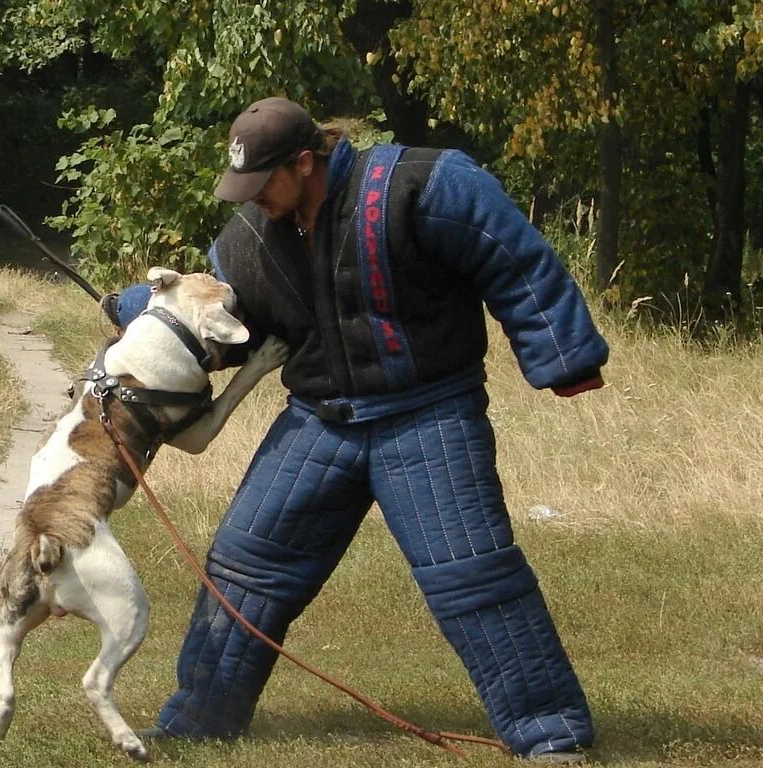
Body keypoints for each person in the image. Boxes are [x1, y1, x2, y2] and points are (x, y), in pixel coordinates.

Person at [117, 96, 607, 763]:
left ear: (305, 160)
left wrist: (563, 354)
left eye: (263, 185)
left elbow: (512, 257)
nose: (252, 200)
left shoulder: (424, 185)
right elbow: (227, 321)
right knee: (242, 569)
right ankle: (200, 723)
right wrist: (138, 315)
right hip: (319, 423)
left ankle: (551, 737)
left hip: (429, 415)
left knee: (476, 578)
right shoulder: (250, 238)